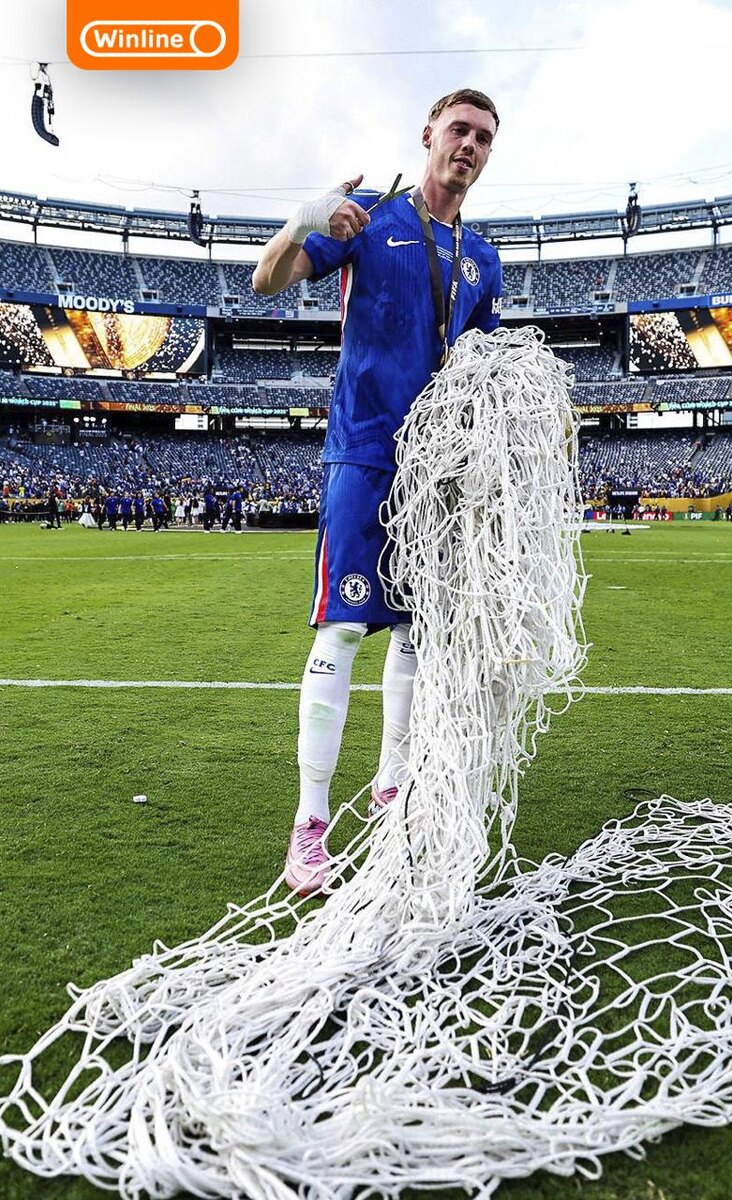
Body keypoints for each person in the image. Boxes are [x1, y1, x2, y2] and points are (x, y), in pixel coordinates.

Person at [253, 88, 503, 896]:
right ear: (428, 134)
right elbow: (265, 282)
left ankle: (392, 793)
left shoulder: (483, 257)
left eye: (483, 137)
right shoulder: (369, 218)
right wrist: (302, 220)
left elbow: (482, 368)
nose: (469, 146)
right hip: (364, 457)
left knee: (416, 636)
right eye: (458, 130)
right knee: (342, 631)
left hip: (439, 471)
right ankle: (310, 824)